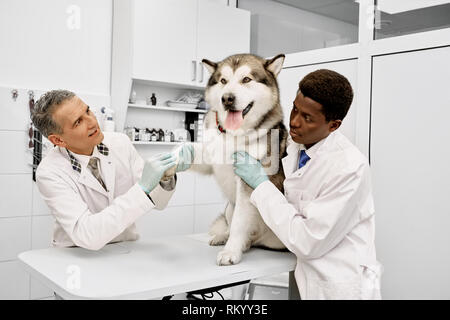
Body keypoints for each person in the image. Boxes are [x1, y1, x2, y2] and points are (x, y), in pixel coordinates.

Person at [232, 69, 382, 300]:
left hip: (338, 286)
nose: (294, 121)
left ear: (334, 125)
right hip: (304, 276)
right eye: (294, 109)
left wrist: (261, 185)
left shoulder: (350, 168)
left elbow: (308, 241)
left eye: (307, 118)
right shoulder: (296, 147)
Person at [32, 90, 193, 250]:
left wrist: (166, 177)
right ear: (58, 140)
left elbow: (158, 203)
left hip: (124, 249)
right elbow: (87, 234)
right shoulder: (49, 172)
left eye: (87, 111)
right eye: (78, 122)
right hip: (77, 255)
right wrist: (142, 189)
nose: (92, 122)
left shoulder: (120, 143)